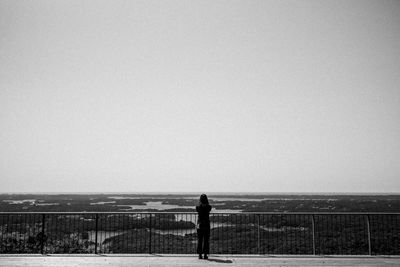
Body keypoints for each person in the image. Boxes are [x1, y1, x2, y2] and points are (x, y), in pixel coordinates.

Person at [196, 194, 212, 259]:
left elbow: (198, 208)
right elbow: (209, 208)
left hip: (200, 225)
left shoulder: (198, 207)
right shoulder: (209, 207)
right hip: (207, 225)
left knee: (200, 240)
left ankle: (200, 255)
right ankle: (205, 255)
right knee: (206, 240)